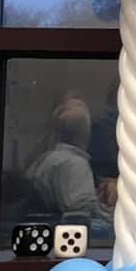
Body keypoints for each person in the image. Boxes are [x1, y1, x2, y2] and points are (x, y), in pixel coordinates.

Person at [25, 95, 114, 233]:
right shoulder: (76, 165)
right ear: (87, 132)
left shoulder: (44, 161)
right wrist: (115, 214)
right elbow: (81, 215)